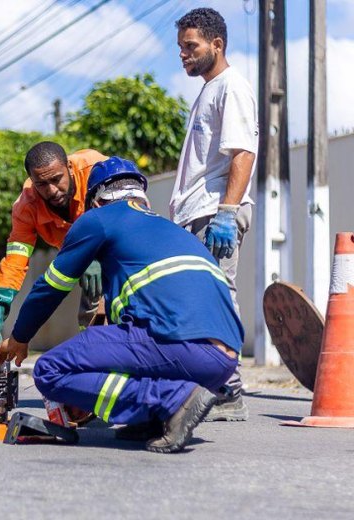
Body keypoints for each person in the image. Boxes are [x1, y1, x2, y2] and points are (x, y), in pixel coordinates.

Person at [0, 157, 242, 453]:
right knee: (124, 344)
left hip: (183, 344)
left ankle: (172, 400)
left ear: (96, 202)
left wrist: (20, 338)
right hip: (225, 359)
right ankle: (152, 418)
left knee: (50, 370)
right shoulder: (169, 229)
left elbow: (50, 287)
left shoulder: (98, 218)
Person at [170, 7, 258, 421]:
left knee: (218, 297)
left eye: (191, 46)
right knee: (201, 299)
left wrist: (227, 211)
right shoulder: (209, 89)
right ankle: (212, 383)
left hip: (214, 213)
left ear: (216, 44)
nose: (184, 55)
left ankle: (229, 391)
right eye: (181, 48)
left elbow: (243, 151)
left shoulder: (231, 86)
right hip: (197, 213)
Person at [0, 142, 107, 348]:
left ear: (69, 168)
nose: (52, 190)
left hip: (121, 252)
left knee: (114, 305)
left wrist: (98, 252)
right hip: (83, 264)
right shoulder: (26, 207)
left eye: (56, 179)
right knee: (90, 314)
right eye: (42, 184)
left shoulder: (96, 169)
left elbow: (130, 214)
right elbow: (14, 264)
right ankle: (97, 362)